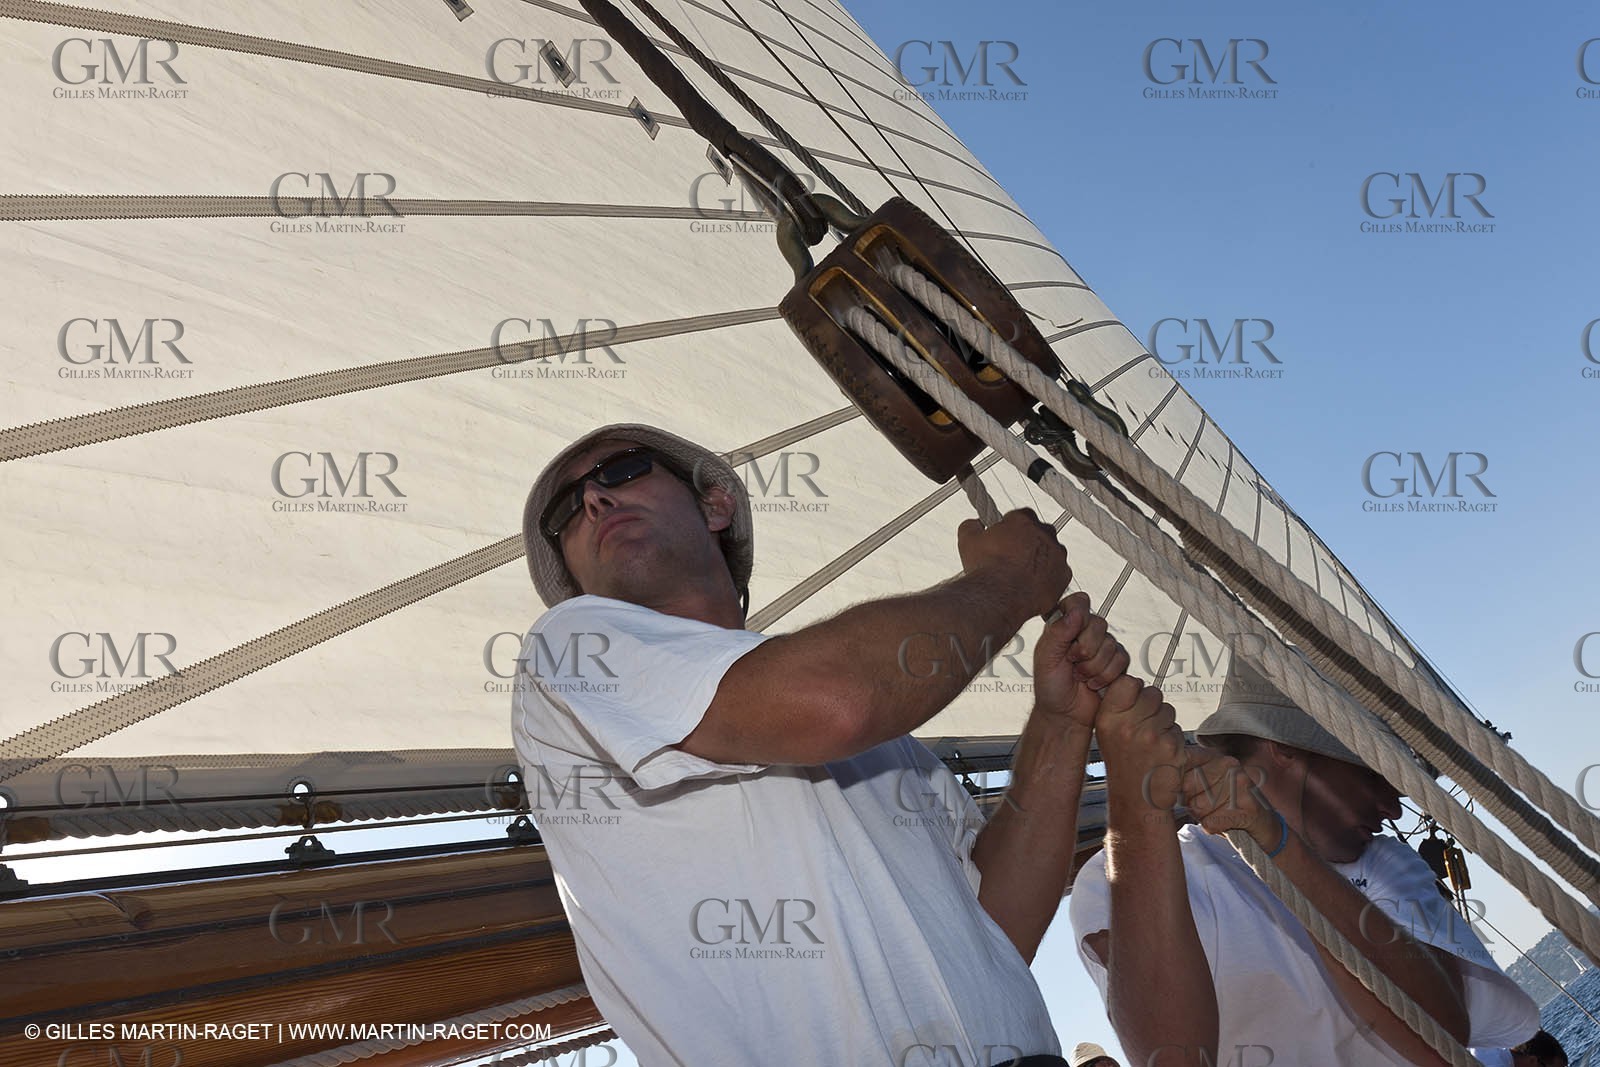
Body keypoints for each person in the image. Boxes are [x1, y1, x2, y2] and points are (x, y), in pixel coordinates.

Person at [511, 424, 1137, 1066]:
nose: (593, 501)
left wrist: (1061, 722)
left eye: (621, 470)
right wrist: (1009, 581)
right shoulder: (571, 647)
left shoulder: (888, 739)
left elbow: (996, 931)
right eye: (566, 510)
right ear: (576, 584)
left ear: (715, 505)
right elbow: (837, 702)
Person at [1068, 657, 1540, 1066]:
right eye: (1377, 776)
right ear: (1286, 747)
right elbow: (1172, 1055)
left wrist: (1277, 845)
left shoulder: (1387, 864)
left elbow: (1438, 1042)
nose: (1394, 809)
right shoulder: (1121, 877)